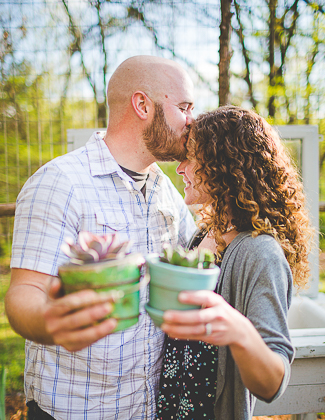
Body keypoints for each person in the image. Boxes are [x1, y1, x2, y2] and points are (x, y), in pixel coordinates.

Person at [6, 56, 197, 419]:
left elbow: (198, 254)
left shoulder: (165, 189)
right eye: (184, 107)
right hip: (75, 410)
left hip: (148, 408)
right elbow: (23, 294)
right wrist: (53, 322)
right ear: (142, 105)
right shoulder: (60, 182)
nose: (192, 120)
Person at [156, 106, 314, 419]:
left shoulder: (261, 253)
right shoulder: (204, 235)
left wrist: (239, 332)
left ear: (223, 166)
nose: (180, 169)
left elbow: (272, 383)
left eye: (190, 158)